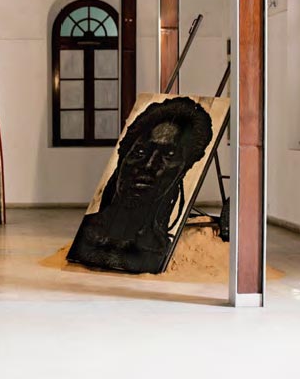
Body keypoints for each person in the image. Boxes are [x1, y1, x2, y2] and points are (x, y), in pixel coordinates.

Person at [67, 97, 214, 273]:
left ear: (183, 170)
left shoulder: (158, 252)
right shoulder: (86, 233)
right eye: (140, 151)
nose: (149, 165)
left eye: (168, 155)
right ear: (123, 157)